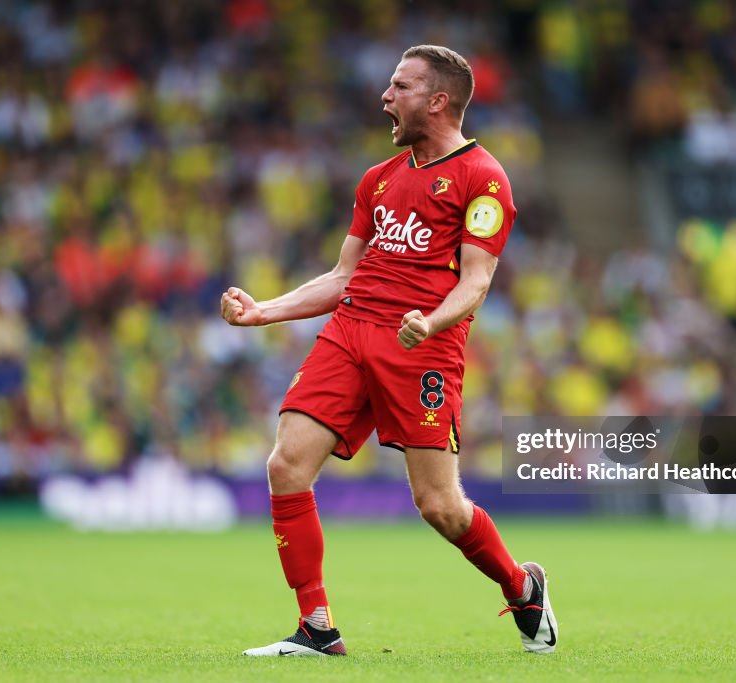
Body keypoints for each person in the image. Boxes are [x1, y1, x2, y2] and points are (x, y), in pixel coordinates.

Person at [222, 45, 557, 657]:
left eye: (399, 87)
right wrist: (265, 310)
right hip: (350, 332)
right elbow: (344, 275)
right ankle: (316, 628)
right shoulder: (378, 179)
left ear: (437, 100)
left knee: (439, 506)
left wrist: (429, 323)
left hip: (421, 347)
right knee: (285, 465)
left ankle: (521, 584)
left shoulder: (483, 178)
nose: (385, 96)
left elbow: (476, 282)